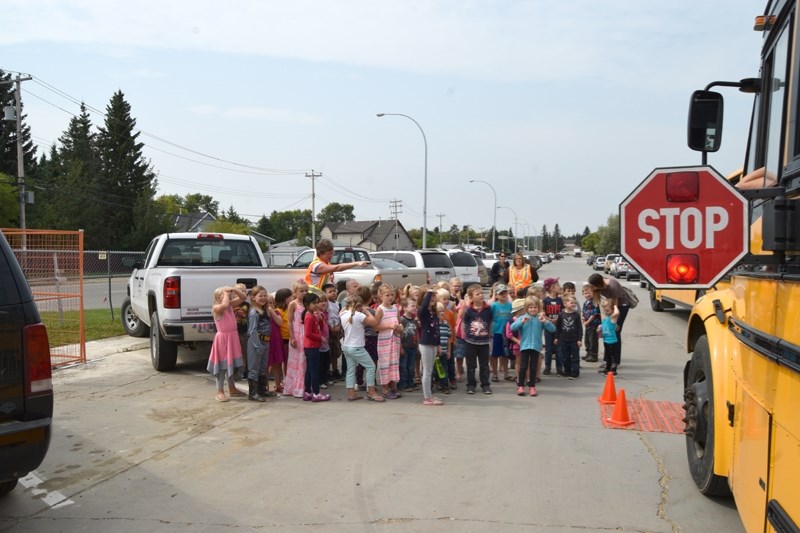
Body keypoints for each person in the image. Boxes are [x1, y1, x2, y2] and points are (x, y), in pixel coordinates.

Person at [341, 296, 385, 402]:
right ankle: (371, 391)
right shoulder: (359, 315)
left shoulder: (343, 314)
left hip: (346, 346)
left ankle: (351, 393)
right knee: (370, 367)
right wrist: (366, 311)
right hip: (357, 347)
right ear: (360, 306)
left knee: (350, 370)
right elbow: (374, 322)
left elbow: (342, 309)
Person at [207, 286, 247, 402]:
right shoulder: (217, 307)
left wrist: (234, 290)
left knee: (231, 364)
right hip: (223, 339)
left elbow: (243, 297)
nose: (228, 297)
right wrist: (225, 293)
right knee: (222, 366)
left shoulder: (230, 305)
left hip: (232, 338)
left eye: (228, 295)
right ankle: (219, 391)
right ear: (217, 297)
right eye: (224, 295)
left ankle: (232, 388)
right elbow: (224, 305)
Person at [510, 295, 555, 397]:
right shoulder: (522, 317)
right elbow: (512, 328)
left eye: (535, 307)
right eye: (530, 307)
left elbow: (553, 329)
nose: (533, 309)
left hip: (536, 347)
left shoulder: (540, 319)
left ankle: (532, 387)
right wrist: (521, 322)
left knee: (533, 367)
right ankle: (520, 386)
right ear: (526, 308)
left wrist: (546, 321)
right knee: (523, 366)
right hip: (525, 346)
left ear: (538, 308)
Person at [246, 285, 283, 401]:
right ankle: (252, 393)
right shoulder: (254, 312)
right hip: (256, 343)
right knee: (254, 369)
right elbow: (252, 331)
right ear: (253, 298)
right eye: (260, 296)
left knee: (263, 368)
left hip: (266, 342)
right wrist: (258, 346)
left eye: (264, 295)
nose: (263, 298)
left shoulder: (265, 310)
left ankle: (262, 390)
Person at [588, 273, 632, 364]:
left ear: (599, 284)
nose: (591, 287)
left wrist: (613, 320)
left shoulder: (613, 285)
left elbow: (615, 304)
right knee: (607, 332)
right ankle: (607, 360)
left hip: (620, 306)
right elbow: (599, 302)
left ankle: (615, 361)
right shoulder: (598, 287)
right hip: (610, 307)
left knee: (615, 332)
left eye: (593, 286)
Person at [460, 283, 493, 395]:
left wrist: (489, 334)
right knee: (471, 365)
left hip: (484, 342)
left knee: (484, 365)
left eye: (481, 293)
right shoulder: (469, 310)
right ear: (471, 297)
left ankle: (485, 385)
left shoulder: (488, 309)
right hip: (471, 342)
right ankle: (471, 385)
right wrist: (467, 336)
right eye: (477, 294)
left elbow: (491, 322)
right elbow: (464, 324)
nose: (481, 295)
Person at [304, 238, 368, 294]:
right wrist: (356, 263)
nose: (331, 256)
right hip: (314, 297)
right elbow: (338, 267)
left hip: (321, 296)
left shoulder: (327, 263)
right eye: (328, 254)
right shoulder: (317, 265)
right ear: (320, 253)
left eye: (332, 253)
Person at [375, 284, 403, 399]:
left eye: (392, 295)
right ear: (381, 296)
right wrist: (389, 326)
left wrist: (400, 327)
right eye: (387, 295)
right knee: (385, 364)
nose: (390, 297)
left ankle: (393, 385)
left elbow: (399, 321)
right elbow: (375, 327)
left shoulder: (395, 308)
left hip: (395, 339)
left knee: (394, 363)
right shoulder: (380, 309)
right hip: (384, 341)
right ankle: (385, 387)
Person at [302, 292, 330, 402]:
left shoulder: (313, 315)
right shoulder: (308, 317)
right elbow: (308, 333)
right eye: (314, 303)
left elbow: (320, 326)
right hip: (311, 346)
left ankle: (308, 391)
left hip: (312, 346)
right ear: (306, 304)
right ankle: (316, 393)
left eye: (317, 303)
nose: (316, 305)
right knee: (314, 371)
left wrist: (320, 319)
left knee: (310, 370)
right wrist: (320, 338)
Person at [418, 287, 444, 405]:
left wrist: (438, 344)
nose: (432, 298)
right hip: (425, 344)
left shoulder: (433, 312)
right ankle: (427, 397)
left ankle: (429, 394)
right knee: (427, 371)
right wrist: (429, 292)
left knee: (430, 369)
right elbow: (423, 306)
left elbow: (437, 330)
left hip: (433, 344)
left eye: (434, 296)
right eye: (430, 297)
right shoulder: (422, 312)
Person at [284, 281, 309, 398]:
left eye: (306, 291)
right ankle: (295, 387)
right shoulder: (293, 304)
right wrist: (292, 337)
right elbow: (289, 321)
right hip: (297, 333)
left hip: (307, 333)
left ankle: (306, 385)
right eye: (301, 291)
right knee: (297, 360)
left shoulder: (308, 303)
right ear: (295, 292)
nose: (304, 293)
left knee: (305, 360)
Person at [554, 294, 583, 379]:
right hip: (563, 340)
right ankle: (567, 371)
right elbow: (558, 327)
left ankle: (575, 372)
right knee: (565, 357)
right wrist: (556, 337)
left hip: (574, 340)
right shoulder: (561, 315)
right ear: (565, 304)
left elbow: (579, 328)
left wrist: (579, 339)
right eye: (571, 303)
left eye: (574, 303)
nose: (574, 304)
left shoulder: (576, 315)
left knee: (575, 357)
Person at [490, 283, 513, 382]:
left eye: (505, 293)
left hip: (506, 333)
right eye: (501, 293)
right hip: (496, 332)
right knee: (494, 354)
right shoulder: (494, 306)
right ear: (497, 295)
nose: (503, 295)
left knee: (505, 354)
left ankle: (506, 373)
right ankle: (495, 373)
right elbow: (490, 318)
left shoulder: (510, 305)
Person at [542, 277, 563, 376]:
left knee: (559, 348)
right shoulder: (545, 301)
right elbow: (543, 312)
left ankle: (559, 367)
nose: (559, 287)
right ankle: (548, 367)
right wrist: (549, 319)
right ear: (551, 288)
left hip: (558, 328)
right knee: (548, 349)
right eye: (557, 285)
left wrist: (558, 319)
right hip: (548, 327)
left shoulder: (560, 300)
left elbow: (563, 312)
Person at [398, 297, 420, 393]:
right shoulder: (402, 320)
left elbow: (416, 333)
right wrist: (400, 347)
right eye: (412, 306)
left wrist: (418, 345)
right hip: (404, 347)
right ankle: (402, 384)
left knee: (411, 366)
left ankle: (410, 382)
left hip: (413, 346)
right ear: (405, 308)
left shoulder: (415, 321)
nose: (415, 308)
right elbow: (399, 335)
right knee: (403, 366)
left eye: (416, 306)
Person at [323, 283, 344, 382]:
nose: (333, 293)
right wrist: (329, 327)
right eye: (330, 292)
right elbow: (325, 316)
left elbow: (340, 315)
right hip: (328, 330)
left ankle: (335, 370)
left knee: (335, 351)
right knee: (328, 352)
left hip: (336, 329)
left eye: (334, 291)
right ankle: (327, 370)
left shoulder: (338, 304)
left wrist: (339, 326)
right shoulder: (325, 304)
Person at [273, 287, 293, 386]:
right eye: (290, 297)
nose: (292, 298)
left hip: (289, 338)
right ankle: (283, 380)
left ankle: (286, 379)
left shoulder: (291, 308)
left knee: (288, 361)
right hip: (282, 339)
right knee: (283, 361)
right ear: (284, 299)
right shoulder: (278, 310)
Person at [599, 299, 621, 375]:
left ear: (612, 309)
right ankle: (607, 368)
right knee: (608, 356)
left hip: (612, 341)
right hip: (606, 341)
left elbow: (617, 312)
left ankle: (613, 370)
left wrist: (614, 305)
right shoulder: (606, 317)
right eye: (604, 310)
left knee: (612, 357)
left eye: (607, 310)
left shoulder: (612, 317)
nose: (606, 312)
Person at [581, 283, 601, 363]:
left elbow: (594, 314)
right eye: (585, 293)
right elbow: (584, 312)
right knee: (587, 339)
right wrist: (583, 320)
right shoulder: (586, 302)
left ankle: (593, 355)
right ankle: (588, 353)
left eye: (589, 292)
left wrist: (588, 321)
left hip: (593, 324)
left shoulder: (594, 302)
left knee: (593, 340)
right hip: (587, 324)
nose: (587, 294)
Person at [435, 302, 452, 394]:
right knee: (434, 370)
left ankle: (445, 386)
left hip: (444, 351)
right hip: (435, 352)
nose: (441, 312)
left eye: (443, 310)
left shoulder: (446, 323)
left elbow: (449, 338)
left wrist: (449, 351)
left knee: (443, 369)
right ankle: (433, 384)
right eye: (439, 311)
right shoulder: (434, 324)